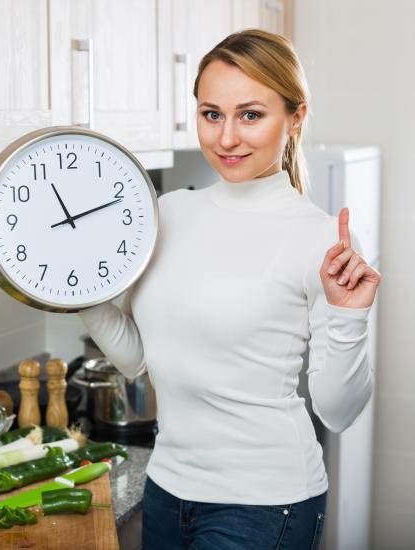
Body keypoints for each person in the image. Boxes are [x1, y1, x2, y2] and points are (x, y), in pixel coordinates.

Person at [77, 29, 381, 549]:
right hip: (167, 489)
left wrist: (350, 316)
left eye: (251, 115)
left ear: (296, 117)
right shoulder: (165, 213)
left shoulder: (321, 238)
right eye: (212, 114)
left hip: (265, 504)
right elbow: (138, 360)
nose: (227, 138)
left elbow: (338, 411)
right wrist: (80, 288)